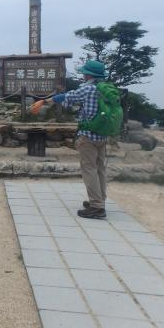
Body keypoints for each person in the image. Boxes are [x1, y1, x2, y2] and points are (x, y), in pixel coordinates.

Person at [42, 60, 109, 219]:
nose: (83, 74)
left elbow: (67, 97)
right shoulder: (106, 89)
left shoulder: (88, 89)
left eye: (85, 72)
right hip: (102, 135)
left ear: (89, 75)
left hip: (88, 136)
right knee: (100, 169)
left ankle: (97, 207)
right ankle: (99, 200)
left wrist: (45, 101)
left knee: (89, 169)